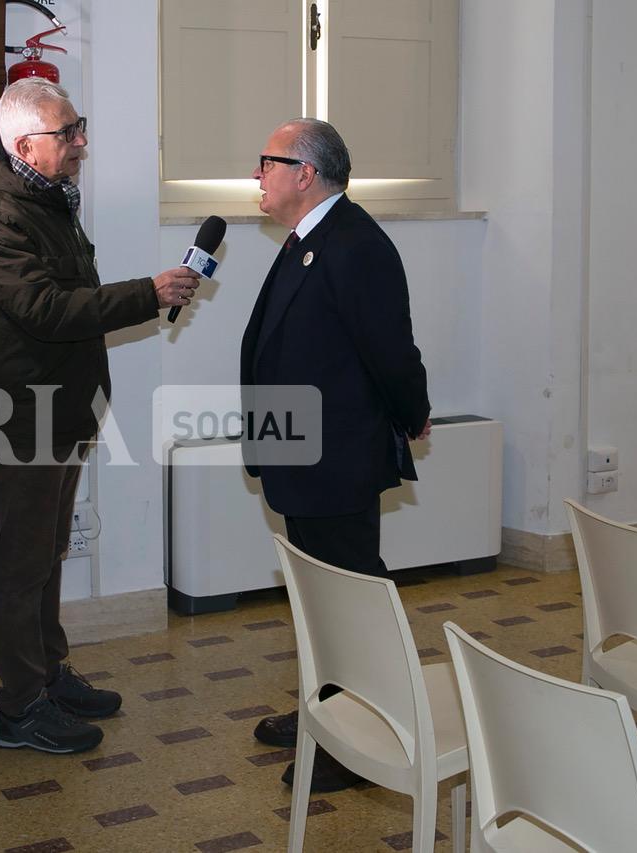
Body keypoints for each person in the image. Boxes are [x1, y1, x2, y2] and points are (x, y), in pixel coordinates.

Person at [0, 78, 199, 755]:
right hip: (22, 408)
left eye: (79, 126)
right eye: (71, 132)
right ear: (26, 142)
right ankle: (20, 706)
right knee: (22, 557)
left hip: (57, 403)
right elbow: (44, 309)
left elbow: (64, 294)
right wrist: (144, 295)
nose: (82, 141)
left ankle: (48, 673)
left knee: (47, 551)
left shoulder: (41, 195)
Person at [239, 118, 431, 792]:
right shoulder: (308, 239)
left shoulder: (357, 245)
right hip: (300, 454)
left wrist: (414, 416)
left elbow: (390, 351)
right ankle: (326, 708)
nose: (256, 175)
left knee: (353, 597)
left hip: (336, 458)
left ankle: (366, 737)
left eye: (267, 161)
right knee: (321, 599)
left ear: (305, 173)